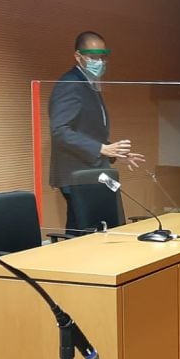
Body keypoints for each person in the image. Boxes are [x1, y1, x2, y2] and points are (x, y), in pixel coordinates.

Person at [48, 31, 143, 231]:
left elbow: (88, 132)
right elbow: (60, 131)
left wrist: (114, 153)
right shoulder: (70, 84)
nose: (99, 62)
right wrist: (102, 149)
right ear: (78, 56)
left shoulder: (89, 83)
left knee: (100, 229)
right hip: (76, 175)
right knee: (82, 232)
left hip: (93, 172)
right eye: (93, 57)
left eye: (102, 57)